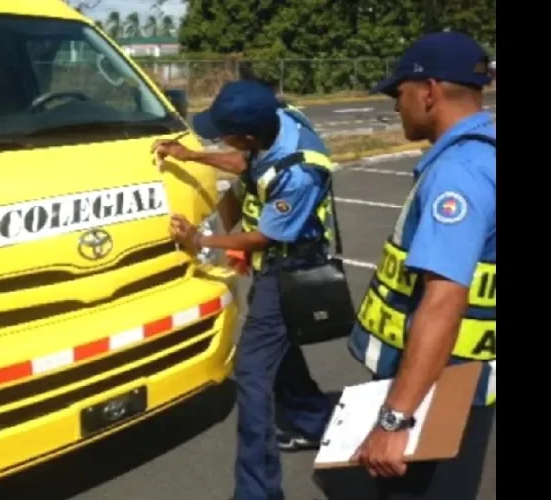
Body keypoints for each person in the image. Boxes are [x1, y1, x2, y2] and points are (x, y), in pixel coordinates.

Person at [153, 79, 337, 500]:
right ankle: (311, 420)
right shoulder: (280, 121)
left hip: (289, 265)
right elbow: (248, 163)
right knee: (280, 348)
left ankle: (258, 491)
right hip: (279, 257)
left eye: (224, 133)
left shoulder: (300, 172)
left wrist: (199, 242)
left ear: (250, 134)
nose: (218, 137)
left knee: (253, 374)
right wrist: (191, 154)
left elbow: (263, 237)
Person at [342, 31, 496, 500]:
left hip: (434, 385)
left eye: (399, 93)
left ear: (428, 91)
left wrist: (395, 419)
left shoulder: (458, 174)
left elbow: (444, 299)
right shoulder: (486, 152)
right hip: (465, 375)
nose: (395, 106)